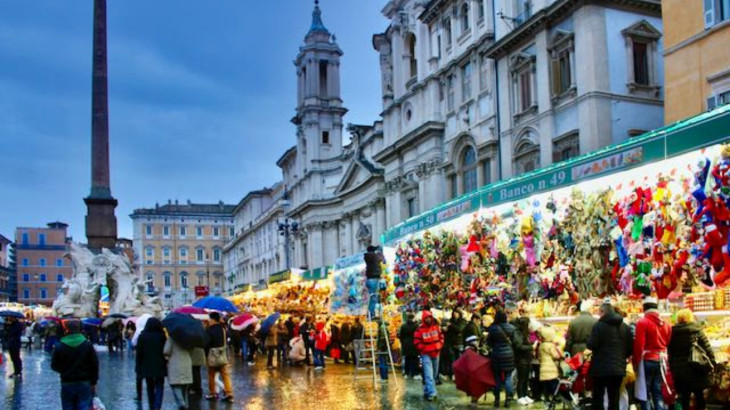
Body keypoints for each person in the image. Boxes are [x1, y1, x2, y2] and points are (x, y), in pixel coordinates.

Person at [587, 302, 633, 410]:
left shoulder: (599, 326)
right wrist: (622, 357)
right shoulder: (624, 327)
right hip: (618, 367)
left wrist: (588, 340)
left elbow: (591, 344)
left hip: (600, 368)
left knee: (598, 396)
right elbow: (630, 347)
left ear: (603, 312)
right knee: (614, 397)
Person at [668, 309, 715, 410]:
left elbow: (670, 353)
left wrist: (672, 368)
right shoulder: (697, 330)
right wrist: (712, 362)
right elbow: (707, 348)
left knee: (684, 397)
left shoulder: (672, 333)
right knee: (699, 396)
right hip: (696, 368)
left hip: (680, 371)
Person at [633, 297, 672, 410]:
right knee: (658, 391)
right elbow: (668, 342)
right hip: (661, 360)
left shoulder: (642, 322)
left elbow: (639, 345)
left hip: (647, 360)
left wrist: (635, 362)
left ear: (644, 308)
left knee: (645, 393)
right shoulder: (666, 324)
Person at [51, 320, 99, 410]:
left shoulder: (59, 346)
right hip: (84, 381)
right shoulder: (87, 344)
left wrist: (64, 370)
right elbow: (94, 365)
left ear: (66, 330)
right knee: (84, 406)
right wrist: (94, 381)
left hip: (67, 381)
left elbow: (54, 365)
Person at [487, 310, 517, 408]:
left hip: (496, 355)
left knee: (497, 378)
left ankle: (496, 401)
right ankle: (508, 400)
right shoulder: (512, 328)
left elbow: (489, 342)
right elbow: (515, 342)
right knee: (508, 377)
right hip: (509, 355)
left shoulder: (492, 328)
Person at [136, 317, 167, 410]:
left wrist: (138, 367)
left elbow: (139, 354)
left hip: (147, 365)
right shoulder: (162, 336)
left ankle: (151, 405)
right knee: (160, 386)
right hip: (160, 364)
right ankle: (157, 406)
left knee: (150, 386)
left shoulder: (142, 336)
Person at [414, 310, 444, 402]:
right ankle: (432, 393)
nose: (428, 319)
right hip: (425, 355)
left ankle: (427, 390)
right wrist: (424, 349)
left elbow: (441, 337)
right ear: (423, 319)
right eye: (426, 318)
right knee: (428, 374)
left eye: (429, 317)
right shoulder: (419, 330)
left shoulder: (437, 327)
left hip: (436, 353)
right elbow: (416, 342)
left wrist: (439, 345)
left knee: (434, 374)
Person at [205, 312, 233, 401]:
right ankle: (229, 393)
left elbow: (207, 343)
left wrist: (206, 355)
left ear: (213, 319)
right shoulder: (223, 329)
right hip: (222, 355)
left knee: (211, 375)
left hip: (212, 355)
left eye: (210, 319)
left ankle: (213, 393)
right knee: (225, 375)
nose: (209, 321)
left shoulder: (209, 330)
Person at [164, 336, 193, 410]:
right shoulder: (188, 338)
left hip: (175, 364)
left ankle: (182, 404)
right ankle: (186, 405)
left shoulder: (172, 338)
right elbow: (192, 350)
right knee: (185, 387)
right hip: (187, 363)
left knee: (176, 386)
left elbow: (166, 351)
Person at [512, 316, 535, 406]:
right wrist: (531, 347)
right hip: (521, 359)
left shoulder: (524, 333)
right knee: (521, 379)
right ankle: (520, 396)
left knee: (526, 379)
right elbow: (519, 346)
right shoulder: (518, 333)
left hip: (526, 359)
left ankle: (525, 395)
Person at [537, 326, 563, 404]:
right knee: (553, 384)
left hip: (543, 367)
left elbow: (539, 356)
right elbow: (555, 356)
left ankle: (546, 398)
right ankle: (555, 397)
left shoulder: (541, 345)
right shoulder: (550, 345)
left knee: (546, 385)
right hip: (551, 368)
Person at [441, 310, 464, 381]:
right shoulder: (451, 320)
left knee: (458, 359)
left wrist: (451, 325)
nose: (455, 314)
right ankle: (451, 374)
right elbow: (448, 330)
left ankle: (456, 374)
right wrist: (444, 329)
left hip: (458, 343)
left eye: (456, 313)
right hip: (450, 343)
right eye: (454, 313)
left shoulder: (462, 321)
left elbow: (460, 329)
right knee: (451, 359)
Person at [364, 245, 385, 319]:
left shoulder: (367, 257)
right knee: (373, 297)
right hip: (374, 279)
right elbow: (382, 259)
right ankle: (371, 315)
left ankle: (369, 313)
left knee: (371, 297)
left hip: (369, 279)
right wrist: (380, 252)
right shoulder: (374, 256)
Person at [399, 312, 420, 380]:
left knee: (407, 359)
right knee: (415, 359)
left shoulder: (403, 326)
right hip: (414, 344)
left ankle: (407, 373)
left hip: (406, 345)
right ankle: (415, 374)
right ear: (413, 318)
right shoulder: (416, 326)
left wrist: (403, 343)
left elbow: (401, 336)